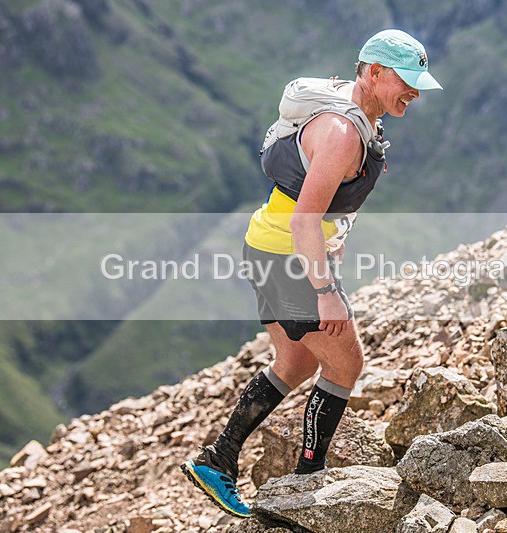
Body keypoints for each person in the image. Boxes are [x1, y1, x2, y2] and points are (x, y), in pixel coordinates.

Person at [181, 29, 441, 518]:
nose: (415, 91)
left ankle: (217, 460)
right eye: (407, 80)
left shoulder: (350, 107)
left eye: (419, 82)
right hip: (289, 258)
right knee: (345, 365)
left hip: (269, 246)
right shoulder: (344, 133)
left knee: (297, 362)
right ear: (375, 72)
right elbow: (305, 219)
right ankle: (307, 483)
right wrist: (325, 291)